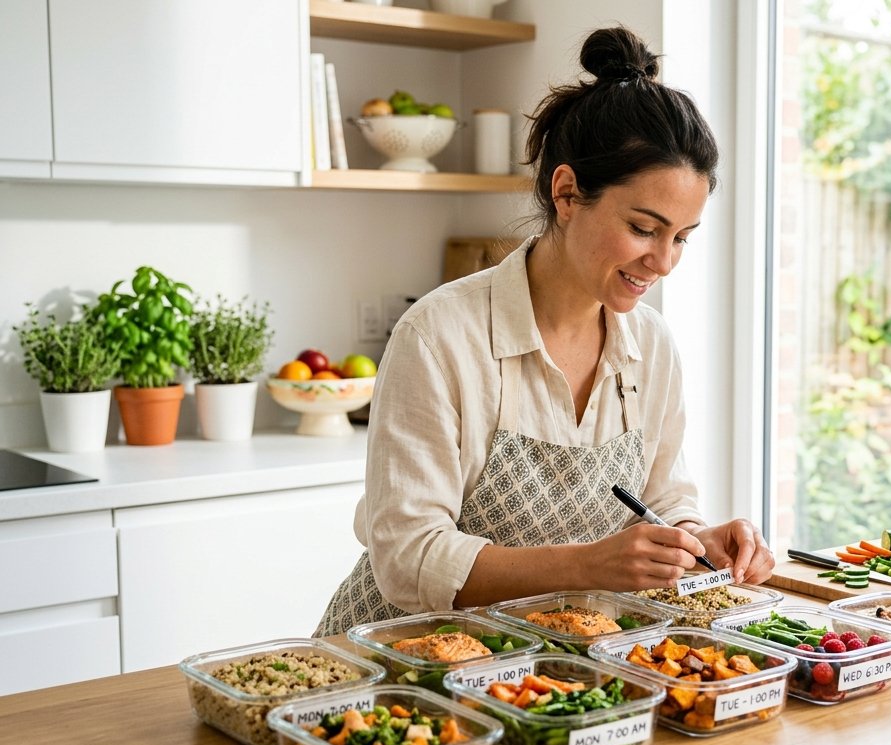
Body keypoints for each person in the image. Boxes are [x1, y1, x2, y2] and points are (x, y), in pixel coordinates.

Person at [315, 26, 774, 636]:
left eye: (681, 238)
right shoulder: (438, 336)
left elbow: (663, 500)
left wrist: (697, 540)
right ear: (566, 192)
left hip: (552, 666)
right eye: (643, 228)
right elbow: (406, 560)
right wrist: (588, 565)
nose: (663, 263)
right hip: (399, 668)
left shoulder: (651, 345)